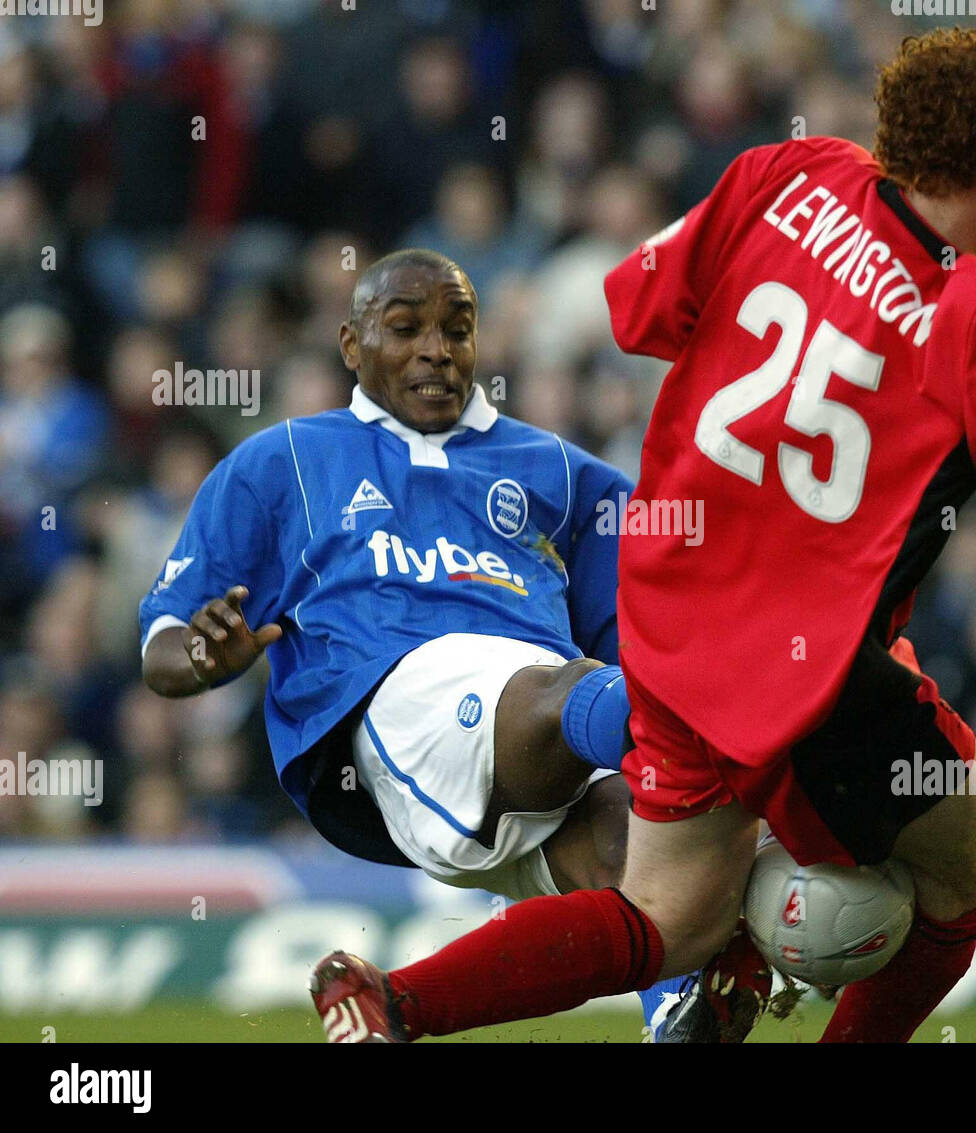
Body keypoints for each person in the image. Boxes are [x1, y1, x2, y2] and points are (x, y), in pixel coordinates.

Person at [315, 26, 976, 1045]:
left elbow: (631, 305)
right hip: (802, 678)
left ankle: (392, 1001)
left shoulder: (786, 174)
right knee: (970, 856)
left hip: (668, 616)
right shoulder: (970, 314)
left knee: (668, 916)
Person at [141, 249, 705, 1039]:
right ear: (351, 345)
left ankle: (402, 1004)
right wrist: (204, 656)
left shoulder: (560, 472)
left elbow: (649, 615)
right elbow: (163, 639)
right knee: (588, 698)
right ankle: (748, 747)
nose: (437, 348)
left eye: (458, 329)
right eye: (405, 328)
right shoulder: (286, 461)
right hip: (392, 707)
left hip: (534, 747)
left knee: (636, 854)